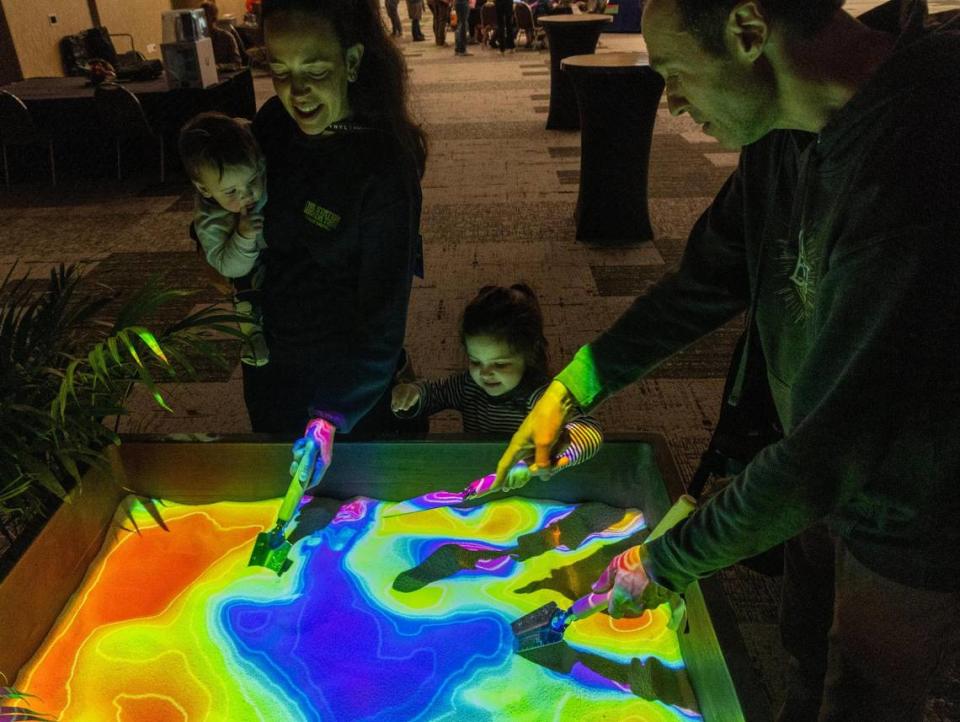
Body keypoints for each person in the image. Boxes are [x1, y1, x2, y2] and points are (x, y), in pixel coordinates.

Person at [493, 0, 960, 720]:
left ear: (748, 33)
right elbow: (706, 280)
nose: (671, 100)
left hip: (912, 505)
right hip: (810, 467)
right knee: (802, 653)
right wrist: (574, 385)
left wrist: (662, 561)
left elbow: (827, 453)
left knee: (866, 693)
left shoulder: (915, 160)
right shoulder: (781, 129)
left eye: (677, 72)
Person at [249, 0, 428, 492]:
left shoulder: (383, 166)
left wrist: (330, 416)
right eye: (279, 70)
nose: (296, 92)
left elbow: (383, 316)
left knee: (348, 512)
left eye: (315, 70)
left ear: (351, 62)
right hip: (272, 366)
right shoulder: (273, 126)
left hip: (350, 386)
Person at [392, 284, 603, 474]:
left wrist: (562, 444)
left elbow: (590, 430)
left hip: (526, 482)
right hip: (479, 472)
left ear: (528, 355)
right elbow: (435, 393)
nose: (485, 373)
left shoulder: (538, 397)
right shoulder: (469, 386)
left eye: (500, 364)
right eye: (476, 362)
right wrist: (413, 394)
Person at [178, 112, 269, 367]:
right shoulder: (211, 220)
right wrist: (243, 236)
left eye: (253, 180)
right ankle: (252, 334)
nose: (247, 195)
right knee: (244, 286)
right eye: (231, 191)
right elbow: (226, 265)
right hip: (242, 262)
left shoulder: (252, 159)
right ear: (204, 189)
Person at [201, 1, 243, 67]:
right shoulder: (199, 40)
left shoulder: (226, 37)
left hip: (223, 75)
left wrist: (219, 67)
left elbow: (237, 64)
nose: (202, 19)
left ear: (214, 18)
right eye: (200, 16)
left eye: (205, 15)